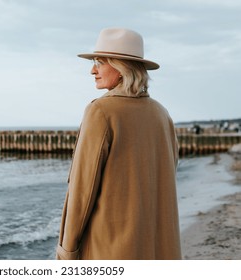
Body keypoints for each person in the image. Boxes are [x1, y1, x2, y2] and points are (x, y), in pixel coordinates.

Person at [56, 28, 181, 260]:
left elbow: (83, 190)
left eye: (99, 62)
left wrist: (68, 250)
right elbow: (167, 176)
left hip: (110, 250)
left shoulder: (101, 112)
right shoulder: (162, 114)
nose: (92, 70)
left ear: (121, 68)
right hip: (158, 247)